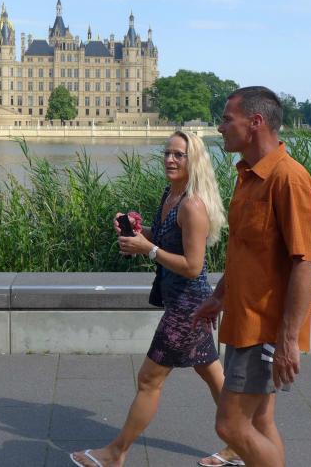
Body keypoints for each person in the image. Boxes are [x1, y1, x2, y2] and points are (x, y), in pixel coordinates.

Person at [71, 131, 243, 467]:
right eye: (167, 153)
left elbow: (193, 267)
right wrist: (137, 232)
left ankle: (116, 453)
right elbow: (164, 238)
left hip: (187, 307)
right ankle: (240, 444)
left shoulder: (192, 205)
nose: (170, 160)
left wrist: (147, 249)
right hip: (185, 302)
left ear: (194, 161)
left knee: (149, 380)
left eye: (179, 154)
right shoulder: (170, 195)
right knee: (212, 375)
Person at [192, 86, 311, 467]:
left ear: (256, 122)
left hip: (264, 328)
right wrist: (219, 296)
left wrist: (287, 340)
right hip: (243, 320)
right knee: (260, 421)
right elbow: (246, 252)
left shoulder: (289, 179)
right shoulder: (248, 177)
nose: (220, 127)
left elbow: (304, 263)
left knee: (231, 426)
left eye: (227, 120)